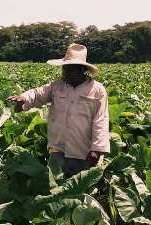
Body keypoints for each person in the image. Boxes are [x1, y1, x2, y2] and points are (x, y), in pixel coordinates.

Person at [7, 43, 110, 178]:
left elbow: (101, 120)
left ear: (81, 69)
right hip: (58, 148)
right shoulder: (57, 86)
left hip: (83, 151)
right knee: (55, 186)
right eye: (64, 68)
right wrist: (24, 99)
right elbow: (38, 94)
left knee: (76, 189)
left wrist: (97, 149)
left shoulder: (97, 90)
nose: (64, 72)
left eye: (69, 69)